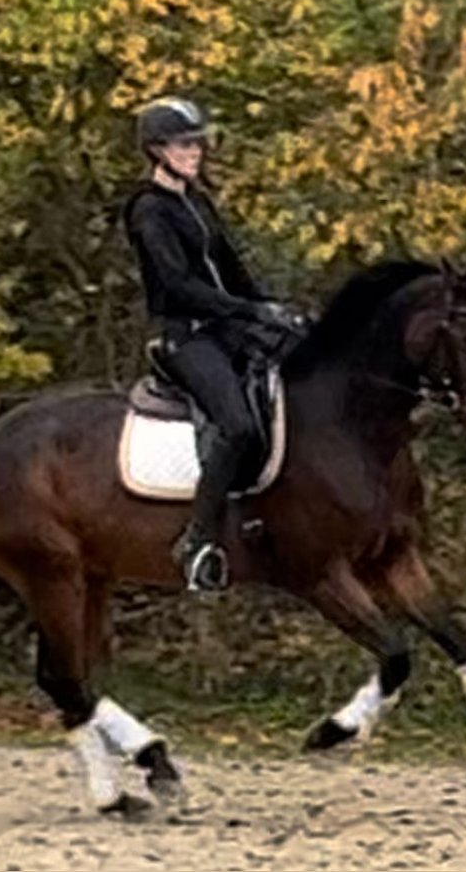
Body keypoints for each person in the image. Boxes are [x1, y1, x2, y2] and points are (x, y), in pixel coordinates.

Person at [123, 96, 294, 591]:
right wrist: (248, 311)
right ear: (157, 150)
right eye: (184, 144)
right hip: (184, 337)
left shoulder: (197, 202)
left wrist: (274, 309)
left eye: (197, 143)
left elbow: (232, 270)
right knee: (238, 426)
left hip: (225, 329)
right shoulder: (148, 211)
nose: (195, 151)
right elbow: (178, 286)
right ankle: (198, 541)